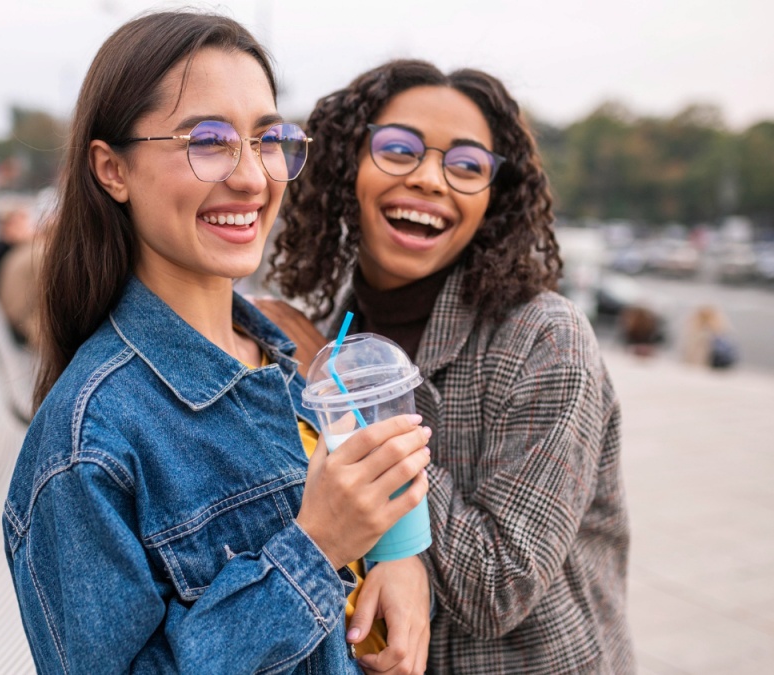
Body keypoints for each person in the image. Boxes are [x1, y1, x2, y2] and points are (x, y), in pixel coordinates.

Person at [3, 14, 433, 674]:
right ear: (112, 169)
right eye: (209, 140)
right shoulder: (86, 444)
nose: (253, 178)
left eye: (267, 139)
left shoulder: (285, 359)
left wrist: (397, 559)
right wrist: (314, 548)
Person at [260, 60, 635, 673]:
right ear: (346, 168)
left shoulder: (545, 336)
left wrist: (361, 408)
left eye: (466, 165)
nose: (432, 179)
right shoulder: (332, 338)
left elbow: (497, 588)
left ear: (493, 198)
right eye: (399, 149)